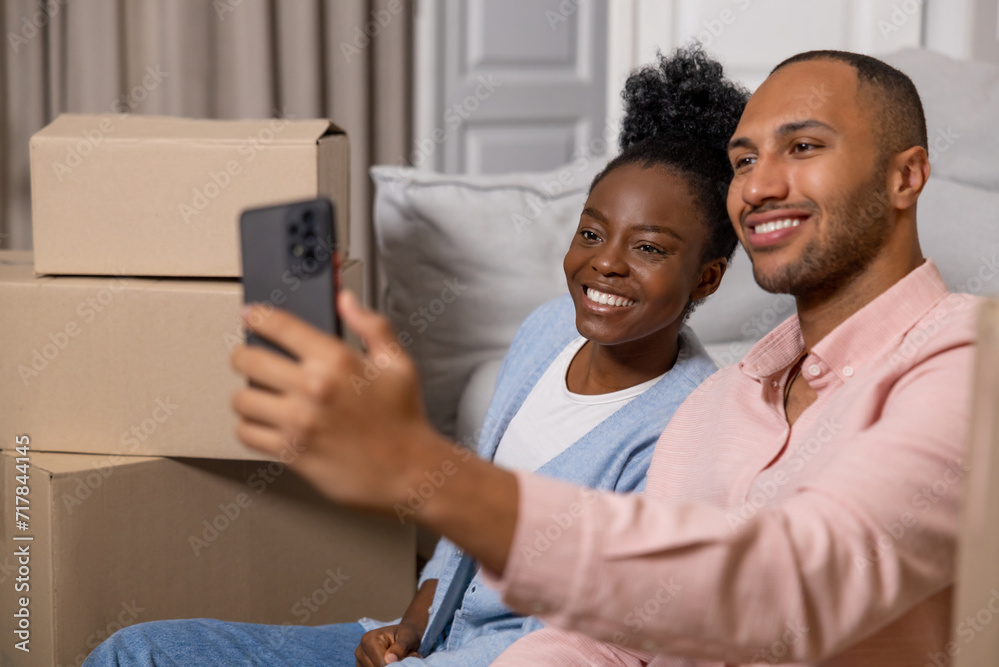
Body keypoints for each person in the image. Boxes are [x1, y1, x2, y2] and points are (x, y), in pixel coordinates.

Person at [214, 49, 985, 665]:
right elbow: (618, 637)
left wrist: (423, 471)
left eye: (804, 147)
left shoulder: (968, 361)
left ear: (905, 175)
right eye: (745, 160)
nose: (759, 185)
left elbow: (795, 586)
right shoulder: (721, 408)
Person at [84, 47, 750, 666]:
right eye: (591, 231)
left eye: (650, 248)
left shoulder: (688, 431)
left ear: (707, 277)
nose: (604, 262)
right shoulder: (548, 331)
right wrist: (410, 622)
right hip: (428, 640)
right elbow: (469, 499)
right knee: (134, 651)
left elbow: (592, 642)